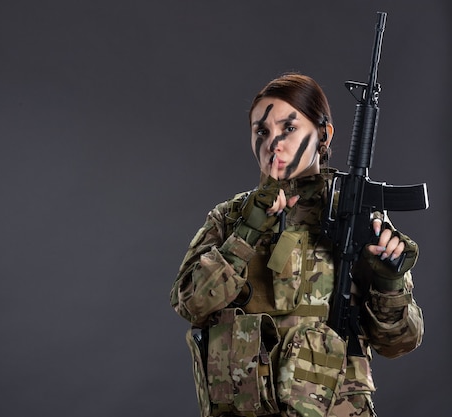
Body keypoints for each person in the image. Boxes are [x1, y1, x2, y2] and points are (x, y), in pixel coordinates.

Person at [169, 73, 423, 417]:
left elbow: (400, 342)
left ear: (323, 134)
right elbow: (190, 304)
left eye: (288, 128)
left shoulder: (355, 216)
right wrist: (248, 231)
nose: (274, 143)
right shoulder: (230, 218)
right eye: (262, 131)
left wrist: (390, 282)